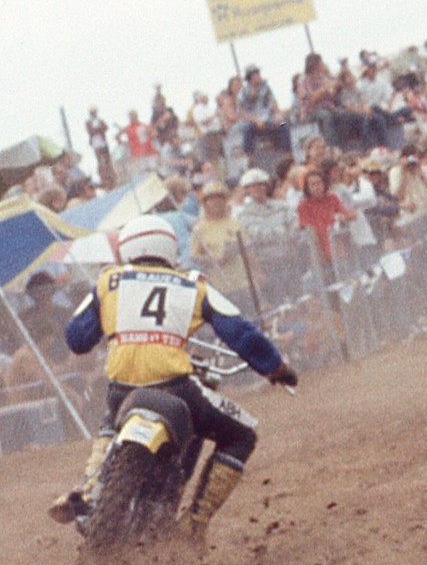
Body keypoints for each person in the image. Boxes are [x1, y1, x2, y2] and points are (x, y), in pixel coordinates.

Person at [47, 214, 299, 540]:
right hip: (176, 390)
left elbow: (76, 339)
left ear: (126, 249)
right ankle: (194, 523)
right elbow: (240, 332)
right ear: (170, 250)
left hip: (122, 390)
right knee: (241, 435)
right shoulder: (193, 285)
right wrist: (275, 368)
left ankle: (89, 489)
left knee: (111, 419)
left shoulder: (108, 281)